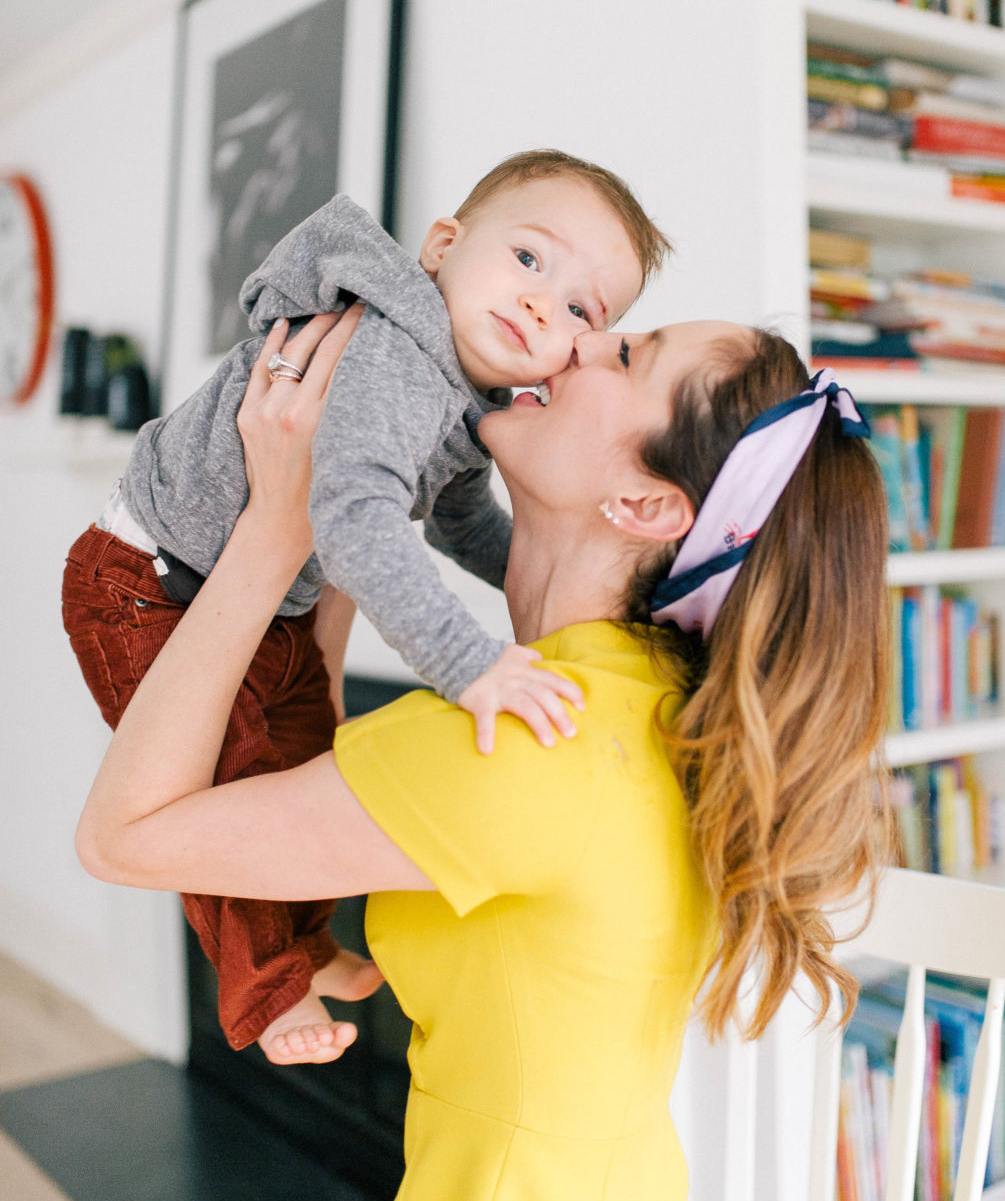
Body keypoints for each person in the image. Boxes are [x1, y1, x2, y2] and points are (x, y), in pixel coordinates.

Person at [5, 306, 893, 1201]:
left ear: (647, 502)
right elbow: (317, 777)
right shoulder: (627, 708)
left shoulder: (528, 746)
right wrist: (342, 501)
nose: (576, 342)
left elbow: (126, 836)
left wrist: (276, 528)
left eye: (625, 355)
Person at [61, 149, 666, 1066]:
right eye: (530, 260)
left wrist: (554, 603)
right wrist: (470, 663)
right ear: (441, 246)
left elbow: (458, 521)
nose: (545, 304)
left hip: (252, 602)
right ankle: (265, 988)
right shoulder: (400, 354)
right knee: (239, 776)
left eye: (583, 309)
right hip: (147, 578)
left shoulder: (469, 400)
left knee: (301, 751)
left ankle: (305, 948)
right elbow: (352, 519)